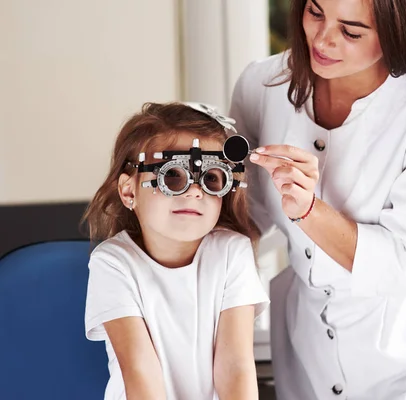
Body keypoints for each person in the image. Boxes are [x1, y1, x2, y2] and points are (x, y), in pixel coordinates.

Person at [229, 0, 406, 398]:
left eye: (352, 31)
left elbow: (403, 266)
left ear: (401, 30)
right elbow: (245, 221)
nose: (323, 39)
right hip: (309, 356)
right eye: (315, 12)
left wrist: (309, 211)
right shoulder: (263, 84)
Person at [83, 102, 269, 400]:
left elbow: (235, 367)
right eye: (173, 176)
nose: (196, 191)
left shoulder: (232, 251)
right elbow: (140, 372)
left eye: (211, 178)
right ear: (129, 191)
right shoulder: (113, 263)